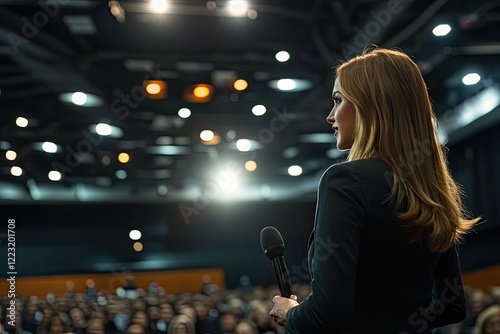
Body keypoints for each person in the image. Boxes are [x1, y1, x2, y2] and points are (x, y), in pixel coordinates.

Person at [269, 46, 481, 333]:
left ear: (369, 106)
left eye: (338, 100)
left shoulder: (343, 181)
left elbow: (327, 315)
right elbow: (451, 305)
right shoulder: (432, 188)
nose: (330, 116)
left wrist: (291, 312)